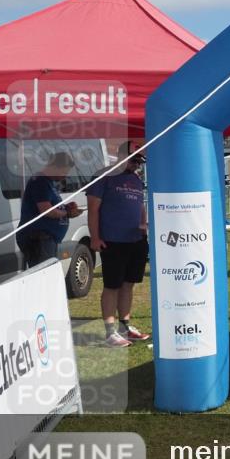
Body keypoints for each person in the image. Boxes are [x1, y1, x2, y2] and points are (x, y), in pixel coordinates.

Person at [87, 142, 150, 348]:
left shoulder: (136, 179)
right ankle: (110, 332)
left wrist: (143, 225)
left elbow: (140, 206)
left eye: (139, 161)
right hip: (112, 240)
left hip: (136, 240)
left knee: (128, 284)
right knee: (112, 286)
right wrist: (95, 238)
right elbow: (93, 209)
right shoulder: (103, 176)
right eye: (134, 160)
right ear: (121, 155)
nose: (137, 165)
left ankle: (125, 326)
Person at [16, 152, 81, 268]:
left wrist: (65, 207)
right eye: (64, 172)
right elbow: (46, 210)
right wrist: (67, 213)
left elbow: (51, 206)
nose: (65, 176)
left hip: (45, 239)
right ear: (55, 167)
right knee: (43, 274)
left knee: (46, 274)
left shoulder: (48, 182)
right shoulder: (40, 182)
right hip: (39, 239)